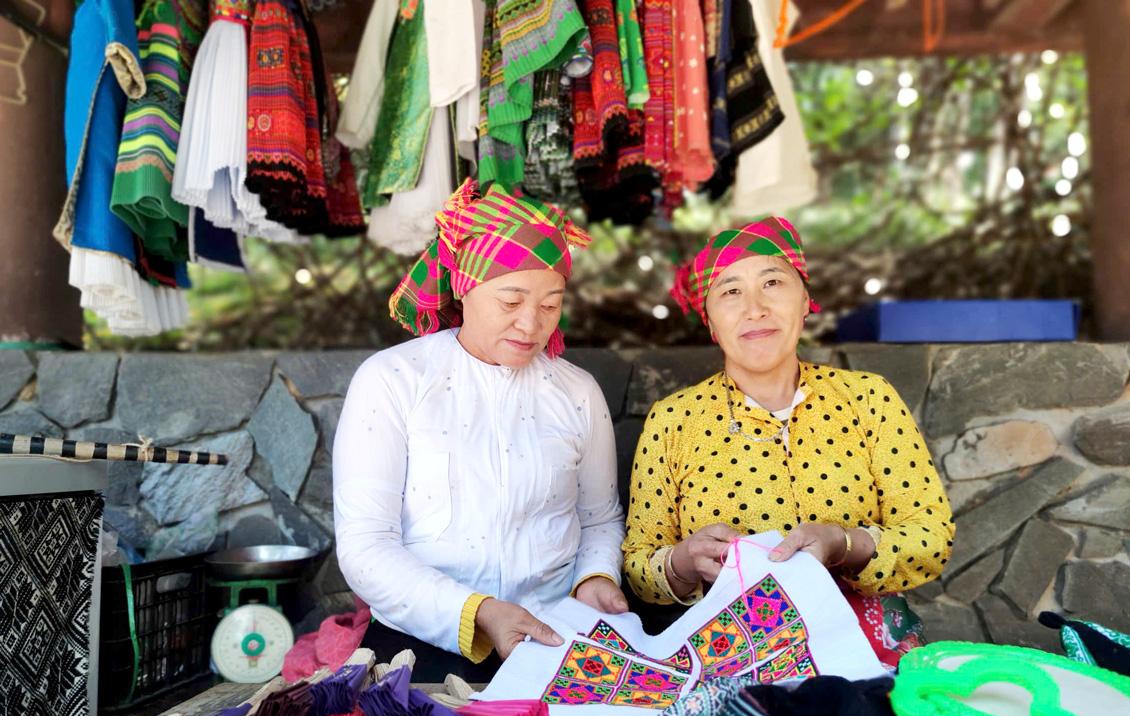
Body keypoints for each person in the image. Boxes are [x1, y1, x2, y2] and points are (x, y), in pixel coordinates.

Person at [622, 217, 954, 669]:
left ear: (804, 302)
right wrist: (682, 561)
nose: (755, 308)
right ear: (711, 322)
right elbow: (640, 566)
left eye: (773, 283)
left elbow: (931, 536)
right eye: (730, 292)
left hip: (874, 652)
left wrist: (845, 544)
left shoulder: (867, 398)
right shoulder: (673, 421)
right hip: (733, 662)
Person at [334, 179, 628, 680]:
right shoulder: (393, 380)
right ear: (464, 287)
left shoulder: (577, 392)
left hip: (554, 634)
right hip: (420, 640)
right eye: (511, 301)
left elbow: (599, 519)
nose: (531, 325)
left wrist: (594, 578)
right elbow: (366, 545)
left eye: (550, 304)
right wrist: (479, 613)